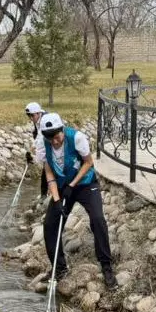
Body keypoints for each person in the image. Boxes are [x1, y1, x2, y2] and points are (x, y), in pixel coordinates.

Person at [36, 113, 117, 289]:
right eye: (50, 138)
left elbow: (88, 162)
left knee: (97, 219)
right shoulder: (44, 144)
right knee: (50, 224)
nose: (54, 142)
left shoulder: (77, 138)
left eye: (57, 137)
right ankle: (59, 268)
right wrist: (57, 200)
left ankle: (106, 266)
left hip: (85, 184)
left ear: (62, 130)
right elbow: (49, 171)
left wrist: (72, 185)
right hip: (63, 188)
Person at [24, 102, 47, 198]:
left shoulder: (44, 121)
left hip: (57, 145)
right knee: (46, 170)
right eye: (29, 116)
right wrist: (32, 148)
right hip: (49, 143)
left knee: (47, 169)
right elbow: (38, 135)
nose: (31, 118)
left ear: (38, 113)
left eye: (32, 116)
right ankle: (44, 194)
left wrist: (34, 159)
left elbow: (41, 140)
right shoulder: (38, 120)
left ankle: (46, 195)